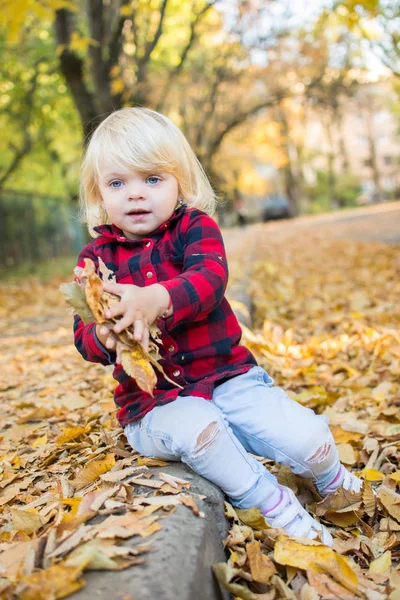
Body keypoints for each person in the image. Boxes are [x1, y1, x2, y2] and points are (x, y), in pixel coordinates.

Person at [73, 107, 361, 547]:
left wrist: (158, 299)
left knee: (307, 439)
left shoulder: (194, 227)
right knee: (201, 430)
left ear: (180, 182)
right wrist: (103, 336)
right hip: (154, 403)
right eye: (118, 183)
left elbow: (208, 280)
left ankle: (330, 476)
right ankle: (270, 502)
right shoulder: (96, 262)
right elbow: (82, 335)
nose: (135, 195)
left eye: (152, 179)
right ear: (99, 193)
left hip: (227, 376)